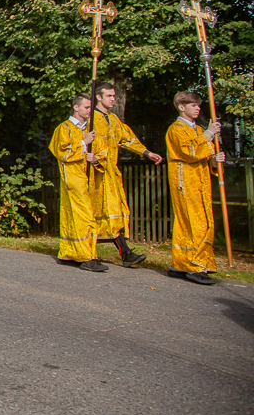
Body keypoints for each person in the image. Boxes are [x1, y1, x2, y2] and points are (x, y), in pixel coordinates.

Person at [90, 82, 161, 267]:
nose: (113, 99)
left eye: (114, 96)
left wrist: (145, 153)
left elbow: (127, 138)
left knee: (113, 213)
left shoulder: (113, 119)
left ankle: (125, 253)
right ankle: (90, 253)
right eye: (109, 96)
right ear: (99, 97)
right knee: (94, 214)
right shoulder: (90, 119)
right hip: (94, 174)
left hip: (111, 173)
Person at [166, 92, 225, 285]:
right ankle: (193, 264)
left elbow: (204, 154)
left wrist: (214, 160)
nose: (197, 108)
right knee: (193, 224)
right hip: (185, 182)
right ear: (182, 107)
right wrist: (209, 134)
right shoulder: (176, 129)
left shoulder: (199, 129)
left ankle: (183, 263)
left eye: (199, 105)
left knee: (203, 222)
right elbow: (189, 151)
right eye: (193, 105)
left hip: (201, 182)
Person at [49, 94, 105, 272]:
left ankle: (73, 253)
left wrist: (95, 159)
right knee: (83, 216)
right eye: (87, 107)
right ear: (76, 107)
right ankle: (85, 255)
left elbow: (102, 151)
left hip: (87, 179)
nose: (90, 111)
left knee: (85, 215)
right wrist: (83, 143)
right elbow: (61, 152)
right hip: (73, 179)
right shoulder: (63, 128)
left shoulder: (91, 128)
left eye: (91, 107)